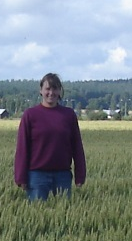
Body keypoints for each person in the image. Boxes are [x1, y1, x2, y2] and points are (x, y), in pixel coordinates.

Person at [14, 72, 86, 200]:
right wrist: (20, 177)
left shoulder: (68, 115)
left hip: (63, 175)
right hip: (37, 176)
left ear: (60, 91)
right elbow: (22, 148)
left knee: (63, 215)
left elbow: (77, 147)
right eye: (47, 89)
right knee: (37, 216)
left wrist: (80, 175)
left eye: (55, 89)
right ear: (41, 90)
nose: (51, 93)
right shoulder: (30, 115)